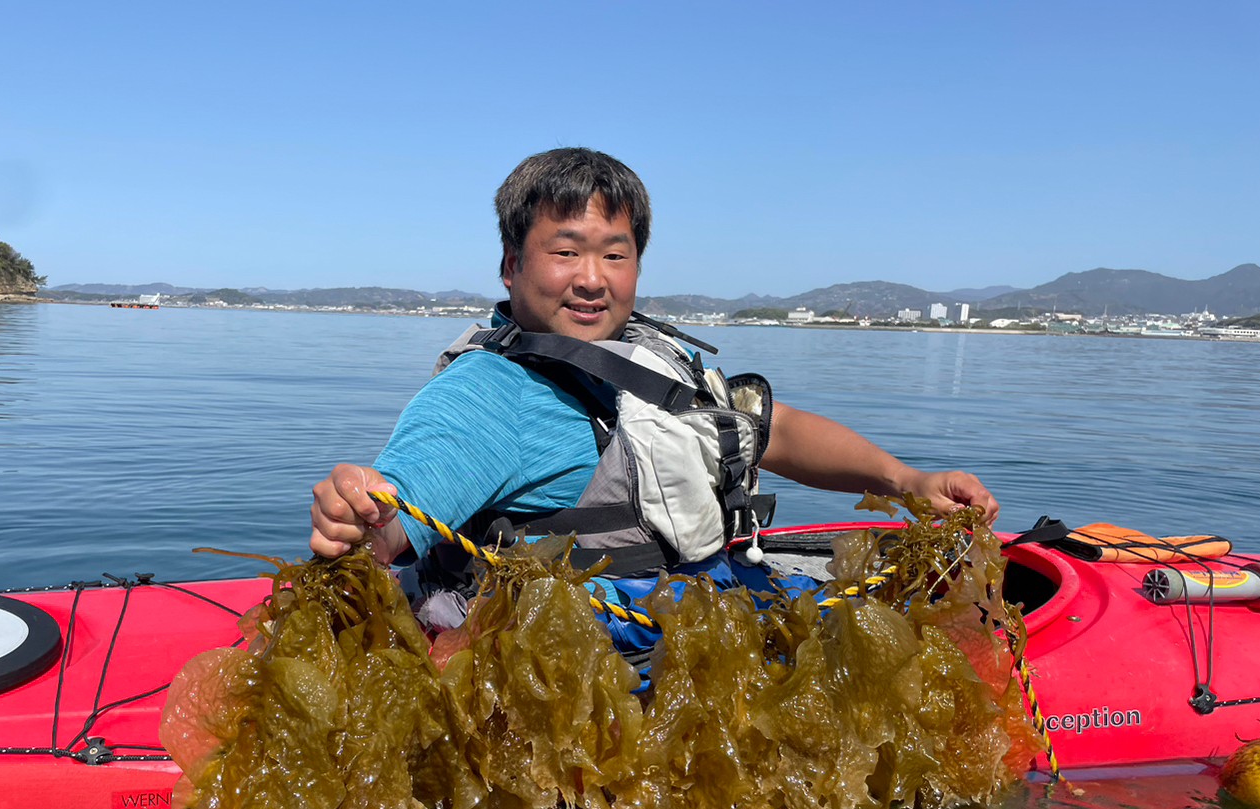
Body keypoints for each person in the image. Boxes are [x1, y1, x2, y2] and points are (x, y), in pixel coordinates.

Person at [311, 148, 997, 636]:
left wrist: (906, 478)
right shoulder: (488, 394)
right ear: (511, 266)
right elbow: (393, 517)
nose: (591, 278)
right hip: (583, 666)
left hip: (708, 611)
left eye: (614, 254)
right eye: (565, 251)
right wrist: (356, 510)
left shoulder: (644, 357)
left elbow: (769, 431)